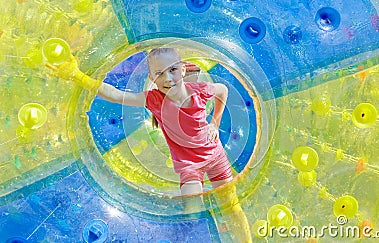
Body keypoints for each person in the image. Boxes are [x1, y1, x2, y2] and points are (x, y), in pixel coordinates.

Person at [46, 47, 252, 242]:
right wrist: (77, 76)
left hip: (214, 155)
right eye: (159, 73)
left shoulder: (199, 91)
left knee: (231, 207)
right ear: (152, 78)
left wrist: (215, 123)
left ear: (182, 69)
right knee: (192, 212)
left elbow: (222, 90)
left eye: (172, 70)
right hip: (189, 165)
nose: (167, 78)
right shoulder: (154, 99)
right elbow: (117, 96)